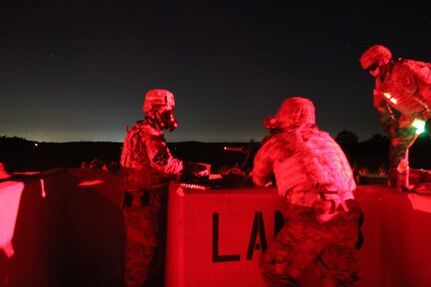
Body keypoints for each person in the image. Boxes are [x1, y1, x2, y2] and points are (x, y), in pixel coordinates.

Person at [251, 97, 362, 286]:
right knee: (340, 279)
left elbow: (258, 179)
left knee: (275, 269)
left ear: (282, 118)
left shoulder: (276, 143)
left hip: (313, 214)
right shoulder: (328, 140)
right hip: (348, 216)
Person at [120, 89, 204, 287]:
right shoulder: (149, 134)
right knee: (142, 260)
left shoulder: (142, 130)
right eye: (167, 112)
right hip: (142, 206)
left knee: (143, 258)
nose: (170, 117)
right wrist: (189, 168)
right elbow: (165, 164)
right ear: (153, 110)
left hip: (142, 204)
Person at [359, 44, 431, 188]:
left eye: (372, 68)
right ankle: (398, 178)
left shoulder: (404, 69)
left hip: (428, 109)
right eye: (368, 71)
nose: (372, 73)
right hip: (413, 115)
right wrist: (390, 126)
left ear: (382, 61)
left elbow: (428, 88)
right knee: (398, 142)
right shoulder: (380, 83)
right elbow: (381, 106)